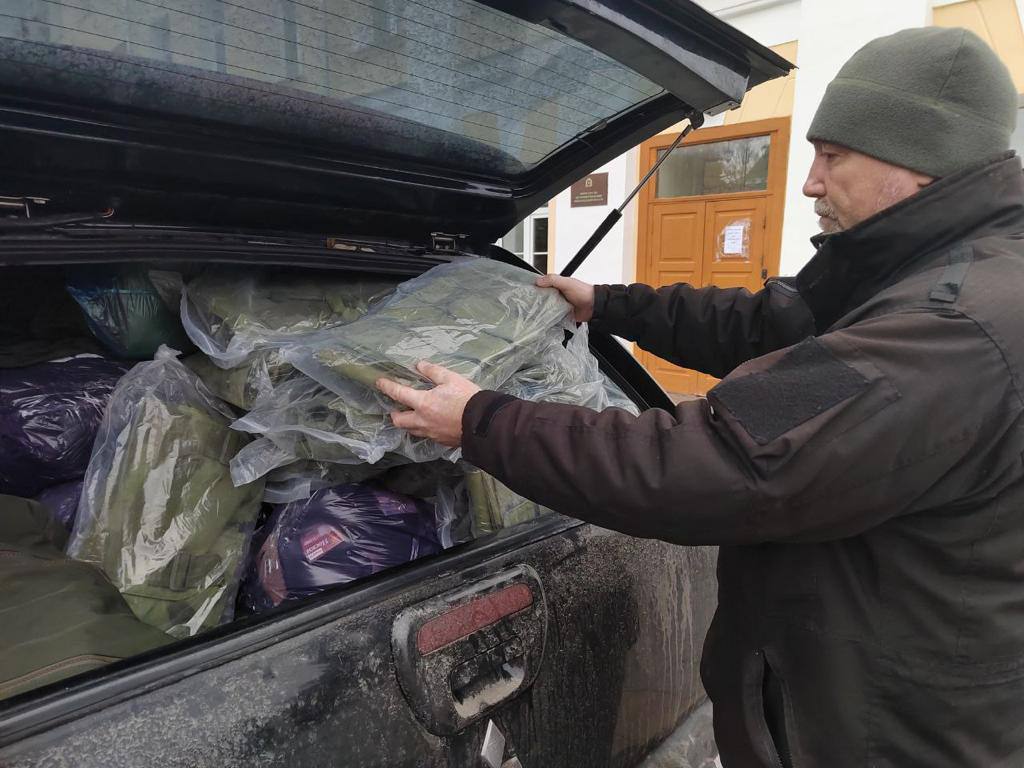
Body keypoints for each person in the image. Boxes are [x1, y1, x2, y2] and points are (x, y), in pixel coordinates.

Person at [377, 27, 1024, 768]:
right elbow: (769, 326)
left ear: (920, 162)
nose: (811, 181)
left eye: (833, 156)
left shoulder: (943, 331)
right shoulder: (940, 279)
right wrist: (608, 303)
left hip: (879, 734)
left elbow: (717, 459)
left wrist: (483, 421)